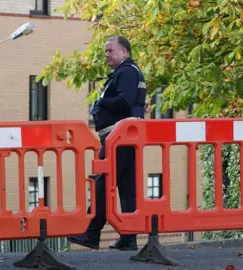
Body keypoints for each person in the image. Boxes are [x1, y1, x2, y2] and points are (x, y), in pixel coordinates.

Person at [67, 35, 147, 251]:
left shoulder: (128, 72)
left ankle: (91, 233)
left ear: (124, 52)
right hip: (125, 139)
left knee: (102, 185)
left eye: (110, 51)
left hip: (118, 140)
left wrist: (101, 102)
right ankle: (129, 238)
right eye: (105, 52)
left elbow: (125, 100)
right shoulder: (127, 72)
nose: (107, 56)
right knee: (126, 188)